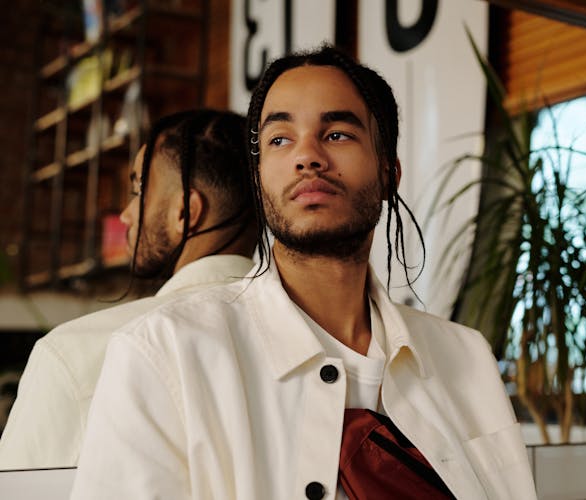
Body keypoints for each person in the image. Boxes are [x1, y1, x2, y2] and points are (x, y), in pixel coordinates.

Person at [71, 47, 536, 499]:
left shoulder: (466, 358)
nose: (307, 156)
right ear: (258, 178)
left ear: (389, 172)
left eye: (337, 134)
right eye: (280, 139)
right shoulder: (165, 354)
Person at [0, 109, 257, 470]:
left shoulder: (77, 353)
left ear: (185, 212)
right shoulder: (316, 338)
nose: (126, 215)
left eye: (139, 190)